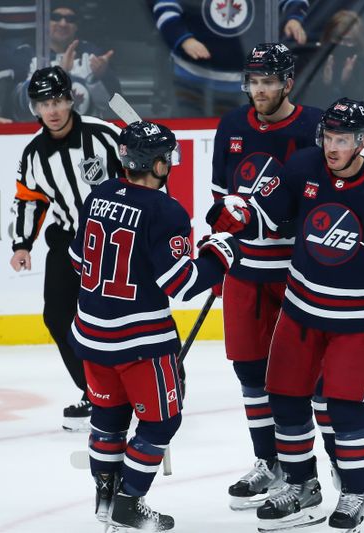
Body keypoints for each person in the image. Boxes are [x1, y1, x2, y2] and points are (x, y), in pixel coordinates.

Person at [207, 97, 364, 532]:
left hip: (357, 320)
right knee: (286, 400)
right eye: (328, 137)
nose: (333, 147)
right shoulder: (304, 168)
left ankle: (355, 490)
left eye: (343, 139)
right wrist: (238, 216)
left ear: (362, 141)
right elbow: (270, 218)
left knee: (346, 408)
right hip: (300, 312)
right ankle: (301, 486)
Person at [68, 120, 241, 530]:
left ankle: (105, 497)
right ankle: (129, 503)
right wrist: (219, 256)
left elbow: (78, 261)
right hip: (140, 341)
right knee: (163, 421)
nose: (171, 164)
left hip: (91, 334)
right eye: (167, 158)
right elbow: (180, 284)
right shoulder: (166, 210)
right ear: (157, 163)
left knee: (108, 418)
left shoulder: (98, 195)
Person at [210, 41, 324, 511]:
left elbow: (328, 200)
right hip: (246, 273)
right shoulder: (232, 125)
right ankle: (269, 462)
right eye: (253, 82)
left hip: (298, 274)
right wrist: (226, 222)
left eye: (269, 82)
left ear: (288, 83)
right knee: (250, 374)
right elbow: (219, 200)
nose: (260, 90)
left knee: (310, 379)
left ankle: (338, 467)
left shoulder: (315, 126)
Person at [9, 65, 122, 431]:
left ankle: (157, 379)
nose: (53, 110)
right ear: (35, 109)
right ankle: (94, 392)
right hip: (69, 242)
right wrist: (22, 244)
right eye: (44, 104)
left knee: (123, 314)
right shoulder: (33, 155)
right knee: (58, 317)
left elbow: (139, 175)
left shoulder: (104, 135)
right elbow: (30, 200)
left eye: (58, 100)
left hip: (114, 241)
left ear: (71, 99)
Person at [151, 0, 309, 117]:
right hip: (190, 78)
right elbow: (164, 8)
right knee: (189, 128)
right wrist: (184, 40)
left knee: (240, 136)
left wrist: (293, 19)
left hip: (244, 85)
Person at [14, 0, 121, 120]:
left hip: (86, 133)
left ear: (77, 26)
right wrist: (59, 73)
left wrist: (100, 77)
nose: (63, 24)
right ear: (44, 23)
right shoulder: (26, 54)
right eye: (56, 17)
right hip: (40, 133)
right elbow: (19, 103)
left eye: (70, 19)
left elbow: (113, 108)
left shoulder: (93, 54)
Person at [299, 10, 364, 110]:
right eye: (337, 39)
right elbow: (301, 103)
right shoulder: (312, 65)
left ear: (358, 42)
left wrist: (349, 83)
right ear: (328, 38)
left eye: (348, 41)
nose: (342, 45)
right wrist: (323, 84)